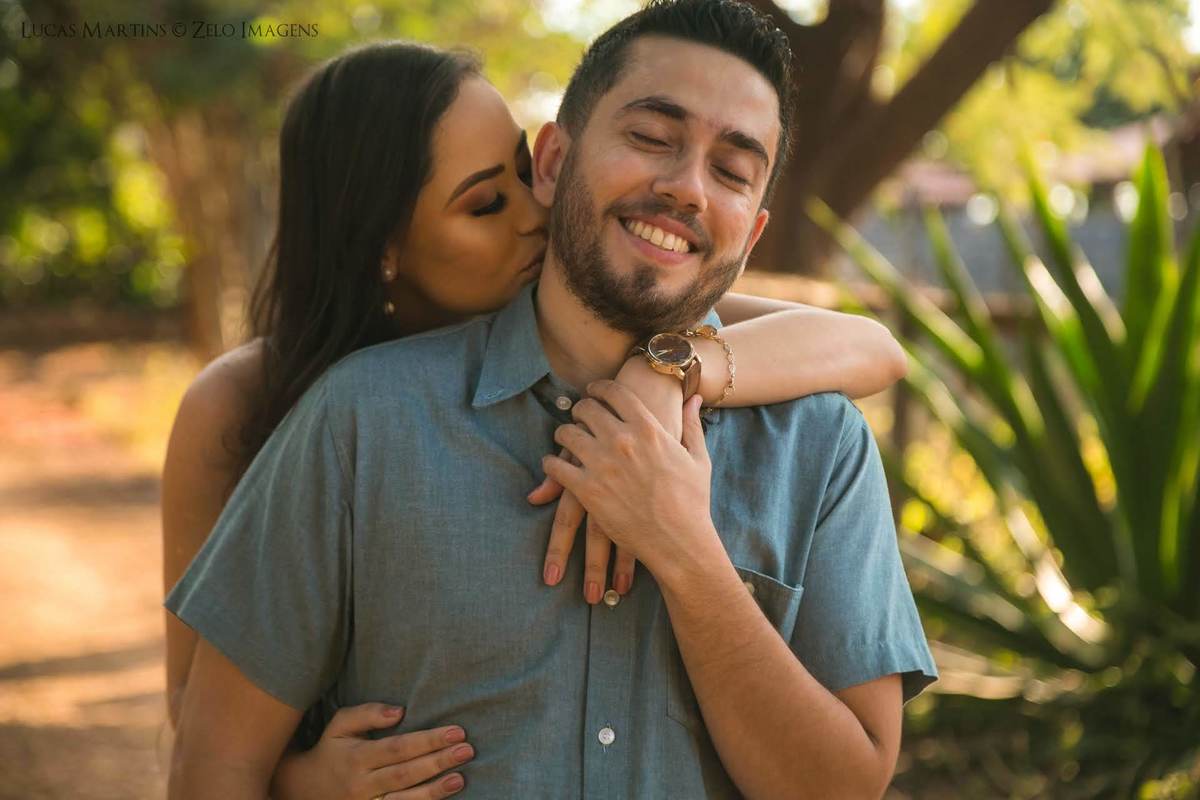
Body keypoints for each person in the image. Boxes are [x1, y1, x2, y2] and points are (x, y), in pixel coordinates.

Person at [165, 0, 938, 797]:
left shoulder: (821, 444)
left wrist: (686, 549)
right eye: (650, 137)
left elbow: (847, 787)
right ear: (555, 159)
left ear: (753, 231)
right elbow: (209, 759)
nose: (685, 189)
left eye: (732, 171)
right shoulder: (351, 419)